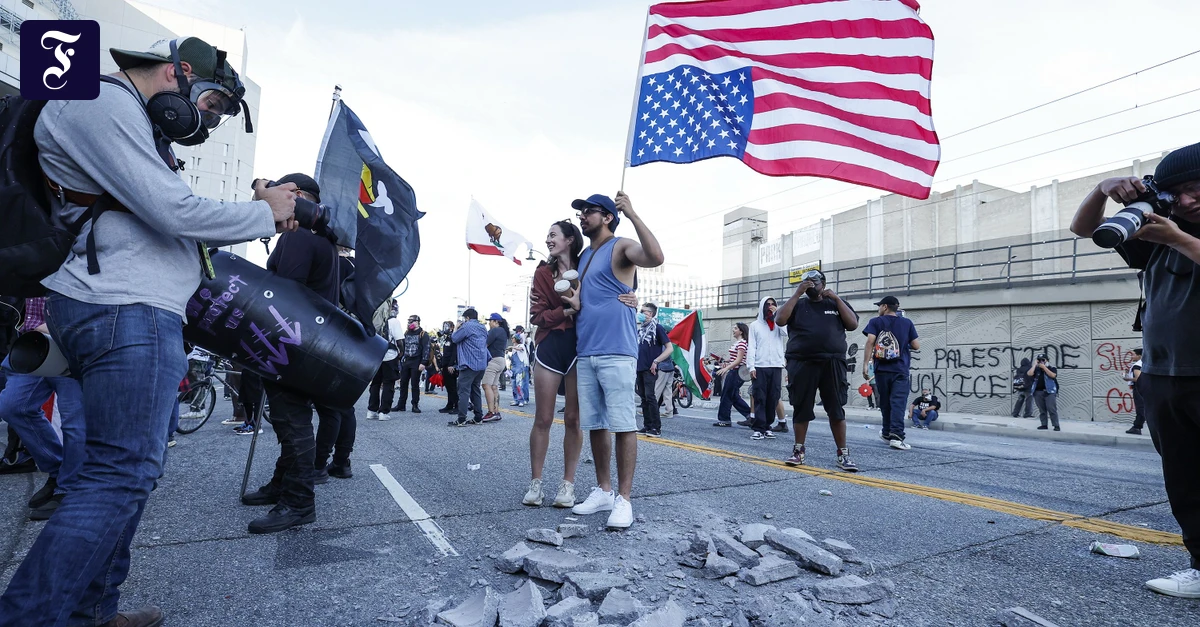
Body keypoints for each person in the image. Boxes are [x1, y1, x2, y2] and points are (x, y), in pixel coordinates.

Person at [0, 38, 295, 626]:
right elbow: (175, 212)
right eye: (211, 103)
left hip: (127, 306)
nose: (208, 120)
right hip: (123, 309)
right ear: (175, 73)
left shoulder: (119, 115)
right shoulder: (100, 103)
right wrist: (266, 211)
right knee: (120, 475)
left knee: (121, 475)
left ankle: (92, 611)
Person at [1069, 150, 1200, 597]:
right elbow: (1084, 229)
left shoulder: (1173, 234)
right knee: (1184, 480)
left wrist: (1178, 238)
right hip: (1163, 374)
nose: (1192, 198)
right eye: (1184, 191)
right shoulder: (1155, 228)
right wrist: (1103, 188)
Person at [241, 173, 355, 531]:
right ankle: (283, 485)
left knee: (292, 422)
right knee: (291, 419)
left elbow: (282, 293)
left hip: (288, 343)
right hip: (306, 343)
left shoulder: (298, 237)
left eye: (284, 191)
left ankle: (299, 501)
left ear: (300, 197)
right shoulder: (321, 240)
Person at [562, 191, 664, 529]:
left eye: (589, 212)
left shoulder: (620, 246)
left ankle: (624, 499)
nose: (582, 217)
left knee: (623, 424)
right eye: (581, 213)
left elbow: (655, 256)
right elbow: (592, 298)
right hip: (587, 349)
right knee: (596, 424)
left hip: (618, 350)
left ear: (607, 216)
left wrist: (633, 213)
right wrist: (577, 303)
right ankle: (603, 490)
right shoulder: (587, 256)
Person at [0, 297, 85, 520]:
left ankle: (69, 488)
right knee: (13, 406)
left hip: (69, 343)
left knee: (74, 423)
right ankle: (58, 472)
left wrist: (61, 323)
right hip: (31, 342)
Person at [773, 270, 860, 472]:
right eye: (807, 282)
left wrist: (836, 298)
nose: (811, 285)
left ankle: (843, 454)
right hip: (802, 362)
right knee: (802, 407)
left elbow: (853, 324)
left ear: (823, 284)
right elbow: (780, 320)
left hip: (833, 363)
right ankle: (798, 451)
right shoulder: (798, 303)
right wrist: (797, 293)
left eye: (815, 282)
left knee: (836, 408)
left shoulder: (835, 303)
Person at [525, 220, 584, 507]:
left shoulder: (587, 267)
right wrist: (566, 310)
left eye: (553, 235)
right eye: (547, 235)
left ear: (570, 239)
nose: (548, 240)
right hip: (549, 346)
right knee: (543, 419)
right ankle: (536, 484)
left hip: (580, 346)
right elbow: (537, 316)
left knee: (573, 419)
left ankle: (567, 485)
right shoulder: (541, 273)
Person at [862, 296, 920, 450]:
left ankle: (887, 432)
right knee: (898, 403)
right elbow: (916, 345)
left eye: (879, 306)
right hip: (900, 369)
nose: (878, 308)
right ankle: (896, 435)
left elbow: (870, 342)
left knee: (885, 403)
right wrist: (903, 343)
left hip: (881, 370)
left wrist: (865, 365)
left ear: (885, 306)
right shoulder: (907, 323)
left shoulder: (875, 322)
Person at [746, 297, 786, 440]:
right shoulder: (755, 325)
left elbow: (786, 333)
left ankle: (768, 426)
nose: (770, 307)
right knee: (760, 397)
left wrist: (778, 315)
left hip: (776, 365)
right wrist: (751, 366)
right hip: (760, 366)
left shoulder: (778, 324)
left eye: (773, 304)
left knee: (773, 397)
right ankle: (758, 428)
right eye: (767, 304)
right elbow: (752, 347)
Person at [635, 303, 673, 437]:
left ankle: (656, 428)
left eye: (642, 311)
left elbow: (669, 348)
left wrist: (656, 361)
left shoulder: (657, 328)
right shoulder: (641, 330)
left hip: (650, 368)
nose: (640, 313)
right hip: (639, 367)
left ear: (649, 314)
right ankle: (647, 425)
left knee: (651, 397)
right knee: (643, 398)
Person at [449, 309, 488, 427]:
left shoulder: (466, 327)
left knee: (463, 391)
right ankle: (478, 417)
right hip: (481, 364)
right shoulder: (483, 327)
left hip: (469, 364)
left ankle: (461, 419)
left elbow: (455, 338)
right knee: (475, 389)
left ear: (466, 318)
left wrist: (456, 327)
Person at [367, 300, 401, 421]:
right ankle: (384, 411)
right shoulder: (394, 321)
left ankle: (371, 410)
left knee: (375, 383)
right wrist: (401, 353)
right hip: (390, 355)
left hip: (376, 355)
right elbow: (399, 340)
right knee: (388, 384)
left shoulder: (375, 316)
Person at [713, 323, 752, 427]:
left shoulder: (742, 343)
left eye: (735, 328)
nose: (733, 330)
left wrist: (726, 368)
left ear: (741, 331)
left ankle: (725, 419)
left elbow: (739, 360)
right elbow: (736, 358)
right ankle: (750, 416)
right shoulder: (739, 343)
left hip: (737, 372)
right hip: (735, 371)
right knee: (732, 395)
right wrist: (727, 361)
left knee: (727, 395)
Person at [394, 314, 432, 414]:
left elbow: (426, 349)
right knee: (403, 383)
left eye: (412, 321)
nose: (410, 323)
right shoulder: (407, 332)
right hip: (406, 360)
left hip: (417, 361)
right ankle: (401, 405)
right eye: (409, 321)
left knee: (415, 384)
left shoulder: (423, 334)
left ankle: (415, 404)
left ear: (417, 322)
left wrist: (423, 362)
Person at [481, 314, 511, 422]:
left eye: (490, 321)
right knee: (494, 387)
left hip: (493, 360)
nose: (489, 323)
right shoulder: (503, 332)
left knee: (486, 385)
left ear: (496, 321)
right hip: (501, 360)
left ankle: (491, 412)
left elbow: (484, 344)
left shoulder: (495, 331)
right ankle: (496, 411)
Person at [1027, 354, 1060, 431]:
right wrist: (1035, 365)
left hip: (1049, 392)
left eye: (1043, 360)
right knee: (1042, 410)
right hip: (1038, 392)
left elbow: (1053, 375)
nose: (1041, 362)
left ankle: (1056, 425)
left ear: (1047, 360)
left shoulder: (1052, 368)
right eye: (1039, 360)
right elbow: (1029, 373)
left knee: (1051, 408)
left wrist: (1044, 367)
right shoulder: (1036, 369)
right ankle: (1044, 424)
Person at [438, 321, 460, 415]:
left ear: (451, 327)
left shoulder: (454, 337)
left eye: (447, 326)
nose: (445, 328)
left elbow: (455, 352)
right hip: (445, 365)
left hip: (451, 365)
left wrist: (452, 364)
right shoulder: (447, 338)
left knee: (453, 387)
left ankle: (457, 406)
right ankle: (450, 404)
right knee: (448, 386)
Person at [1125, 348, 1147, 436]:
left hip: (1138, 388)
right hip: (1145, 388)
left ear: (1139, 356)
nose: (1132, 356)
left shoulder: (1137, 365)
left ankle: (1137, 427)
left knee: (1140, 408)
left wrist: (1127, 378)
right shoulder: (1144, 363)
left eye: (1133, 354)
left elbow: (1138, 379)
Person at [509, 334, 529, 407]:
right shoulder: (514, 348)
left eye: (513, 338)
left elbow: (520, 348)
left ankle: (521, 400)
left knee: (519, 385)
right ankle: (516, 400)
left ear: (516, 339)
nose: (511, 339)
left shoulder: (521, 346)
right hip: (513, 368)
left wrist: (512, 347)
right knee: (513, 385)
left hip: (520, 368)